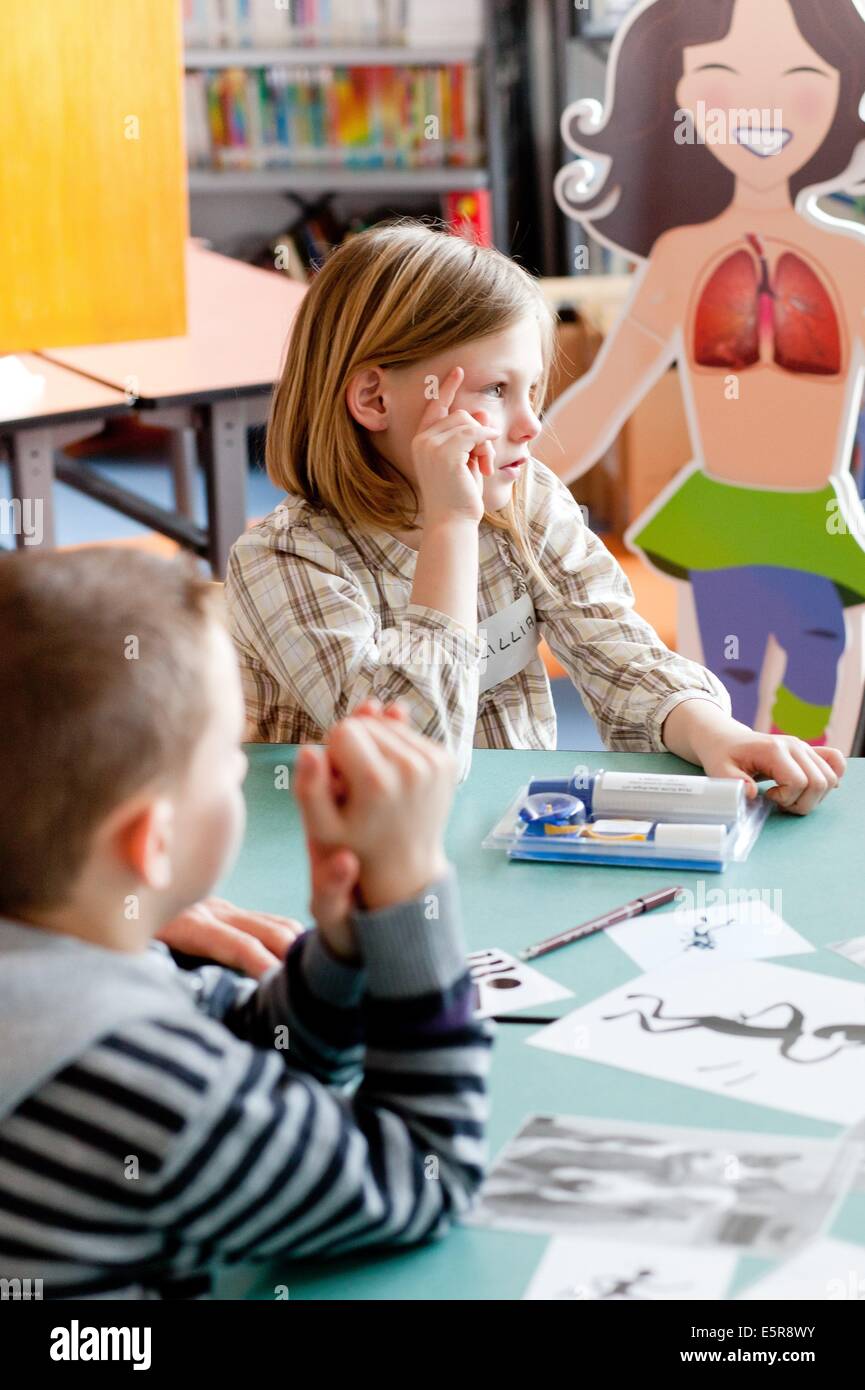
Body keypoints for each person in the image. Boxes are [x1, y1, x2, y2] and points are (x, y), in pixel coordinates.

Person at [226, 218, 845, 814]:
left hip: (504, 840)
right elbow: (415, 757)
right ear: (375, 398)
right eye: (496, 390)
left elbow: (618, 656)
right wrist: (450, 528)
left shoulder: (527, 502)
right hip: (342, 869)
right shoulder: (282, 562)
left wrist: (717, 734)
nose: (531, 426)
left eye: (532, 389)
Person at [0, 548, 491, 1298]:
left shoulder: (48, 962)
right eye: (228, 762)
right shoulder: (136, 1085)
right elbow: (418, 1175)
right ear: (153, 844)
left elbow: (236, 1052)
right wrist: (410, 894)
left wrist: (344, 946)